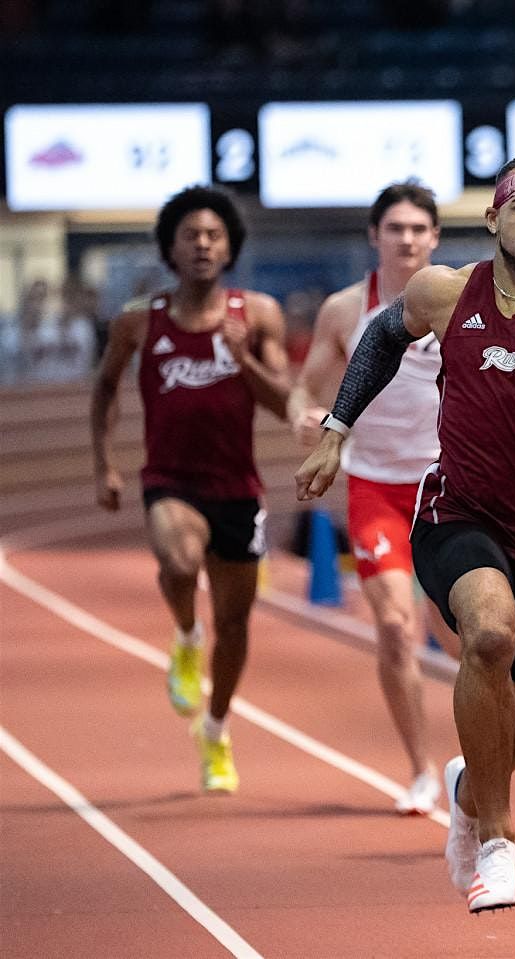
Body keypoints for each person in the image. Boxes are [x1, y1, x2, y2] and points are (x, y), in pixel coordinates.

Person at [295, 155, 515, 913]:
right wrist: (336, 429)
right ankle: (497, 839)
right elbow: (380, 340)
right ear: (493, 219)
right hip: (457, 514)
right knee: (487, 634)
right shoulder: (444, 292)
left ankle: (468, 795)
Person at [91, 185, 290, 794]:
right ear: (170, 250)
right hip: (169, 480)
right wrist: (104, 464)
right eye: (190, 236)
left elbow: (286, 403)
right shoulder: (137, 321)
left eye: (214, 236)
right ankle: (184, 637)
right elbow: (104, 391)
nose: (202, 244)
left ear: (229, 248)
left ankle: (216, 728)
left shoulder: (257, 315)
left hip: (236, 487)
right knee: (178, 564)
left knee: (235, 627)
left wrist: (244, 359)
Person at [287, 181, 461, 816]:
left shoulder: (458, 300)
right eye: (396, 229)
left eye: (419, 229)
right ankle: (421, 770)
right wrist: (307, 416)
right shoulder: (344, 309)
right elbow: (302, 389)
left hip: (447, 486)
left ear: (435, 237)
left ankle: (477, 756)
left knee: (461, 637)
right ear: (375, 236)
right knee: (393, 626)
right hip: (375, 487)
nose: (408, 239)